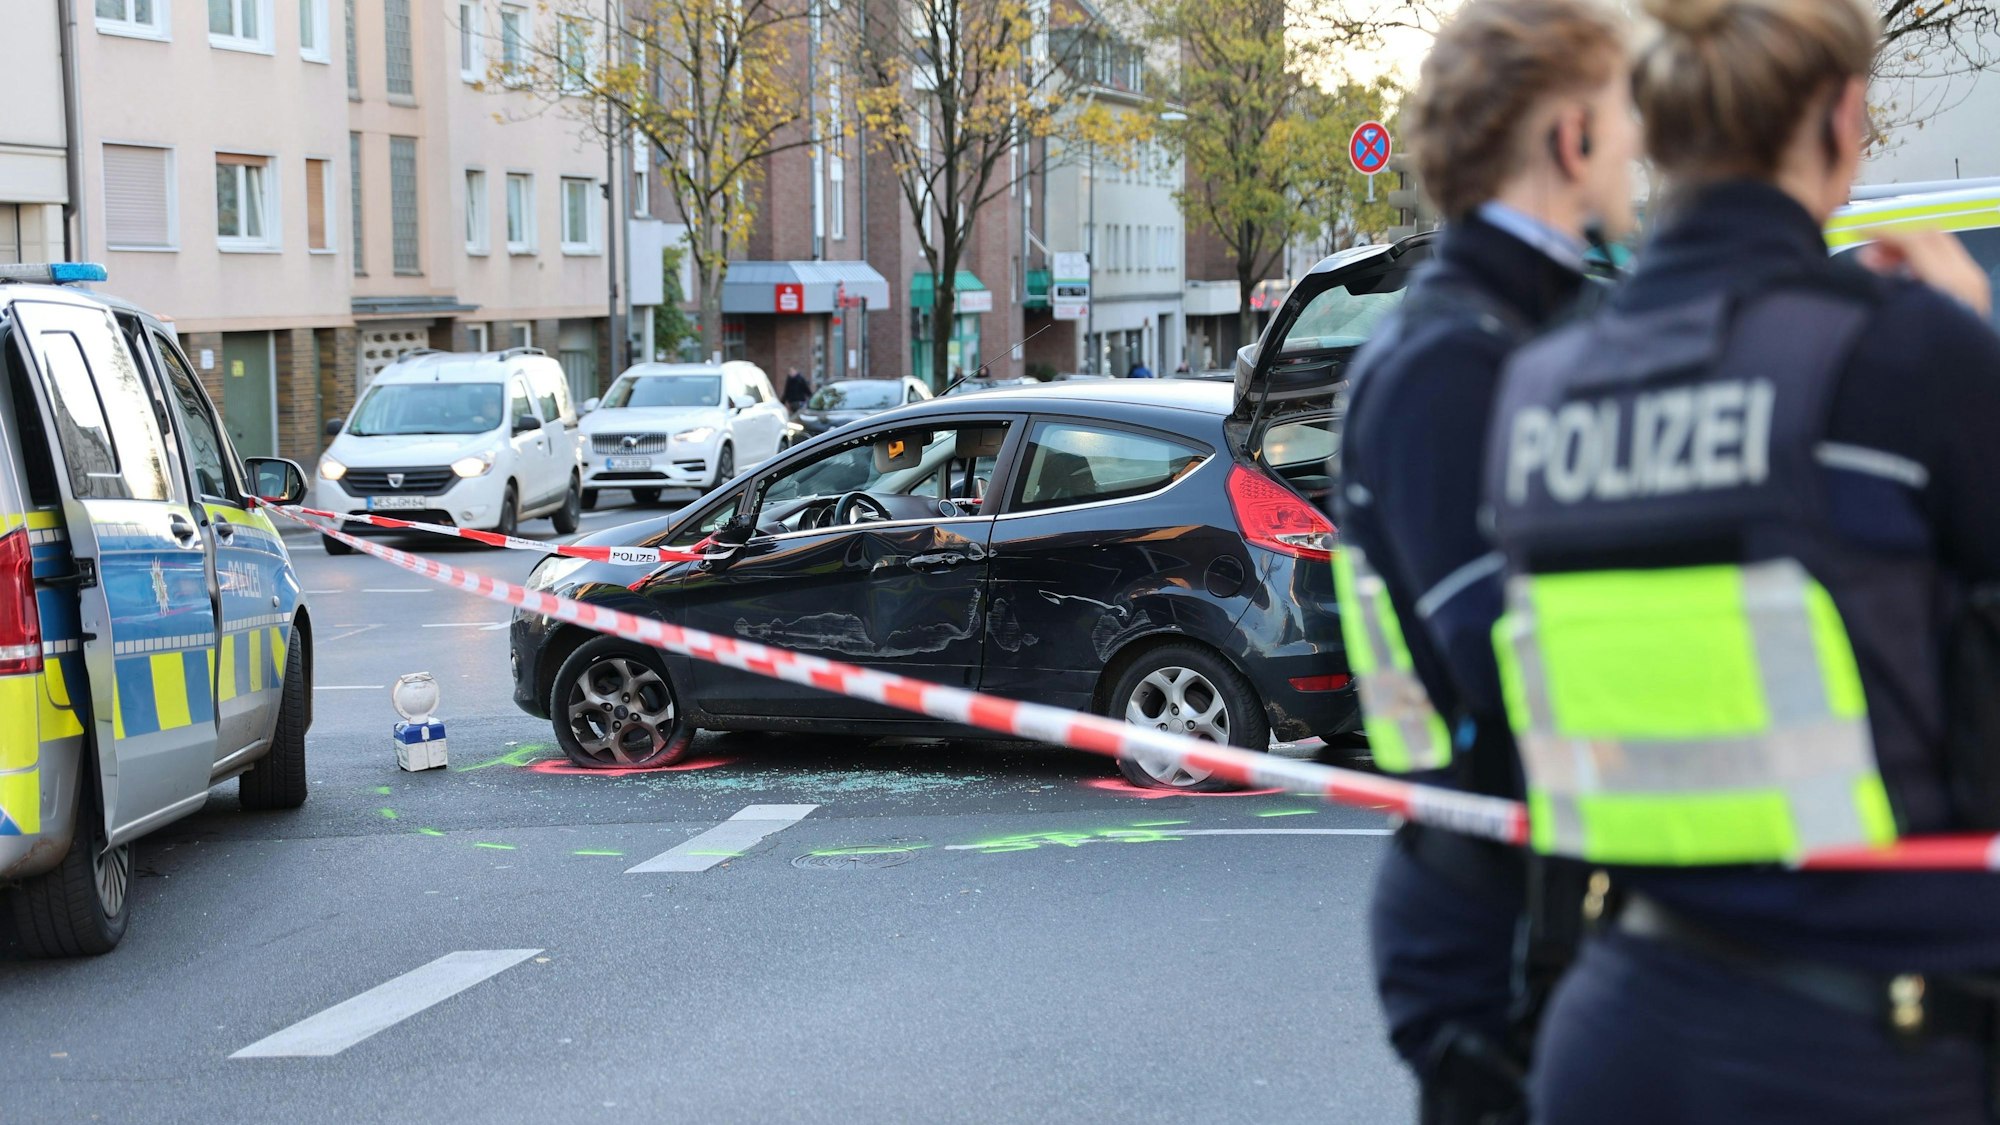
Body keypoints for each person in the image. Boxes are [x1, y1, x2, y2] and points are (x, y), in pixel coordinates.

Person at [1482, 2, 2000, 1120]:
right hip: (1874, 1048)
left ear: (1653, 132)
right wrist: (1969, 343)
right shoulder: (1903, 354)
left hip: (1618, 1032)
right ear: (1841, 116)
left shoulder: (1537, 391)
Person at [1331, 2, 1638, 1121]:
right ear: (1569, 139)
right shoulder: (1452, 361)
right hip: (1496, 935)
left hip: (1534, 910)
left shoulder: (1508, 331)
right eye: (1621, 118)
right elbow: (1511, 658)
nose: (1637, 150)